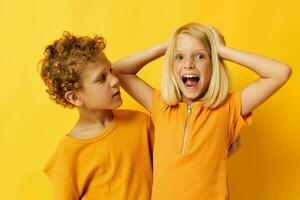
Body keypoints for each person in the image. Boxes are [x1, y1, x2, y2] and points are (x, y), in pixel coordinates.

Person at [113, 22, 292, 199]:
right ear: (171, 65)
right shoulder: (161, 105)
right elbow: (118, 71)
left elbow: (280, 72)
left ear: (213, 64)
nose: (189, 64)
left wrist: (222, 51)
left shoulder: (229, 108)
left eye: (200, 56)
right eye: (179, 57)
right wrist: (165, 48)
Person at [40, 32, 153, 200]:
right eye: (101, 78)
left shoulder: (142, 123)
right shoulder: (68, 156)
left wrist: (167, 46)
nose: (115, 81)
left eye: (111, 71)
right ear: (75, 97)